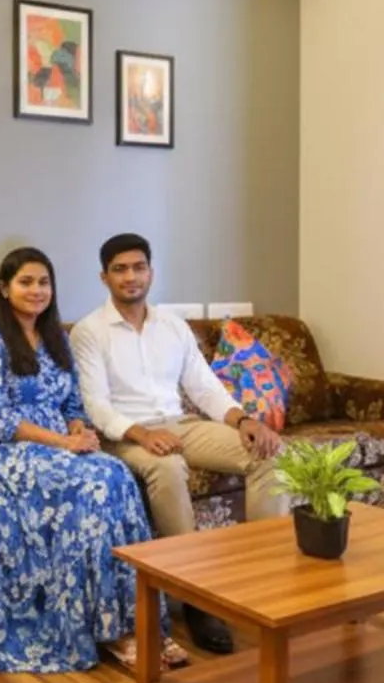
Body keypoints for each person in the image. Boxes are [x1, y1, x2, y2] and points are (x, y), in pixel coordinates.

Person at [0, 246, 187, 673]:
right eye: (25, 281)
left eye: (43, 282)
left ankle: (142, 622)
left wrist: (77, 428)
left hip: (55, 440)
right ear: (4, 288)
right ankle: (111, 633)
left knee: (115, 474)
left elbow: (74, 403)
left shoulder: (57, 335)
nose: (36, 290)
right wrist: (62, 443)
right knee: (89, 484)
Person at [70, 233, 284, 655]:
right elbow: (96, 407)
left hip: (181, 424)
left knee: (270, 454)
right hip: (125, 435)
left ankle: (265, 577)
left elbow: (205, 388)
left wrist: (243, 420)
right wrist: (144, 435)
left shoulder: (172, 325)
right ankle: (196, 597)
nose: (131, 277)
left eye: (138, 267)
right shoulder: (88, 332)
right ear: (104, 277)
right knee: (168, 468)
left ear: (151, 271)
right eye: (120, 269)